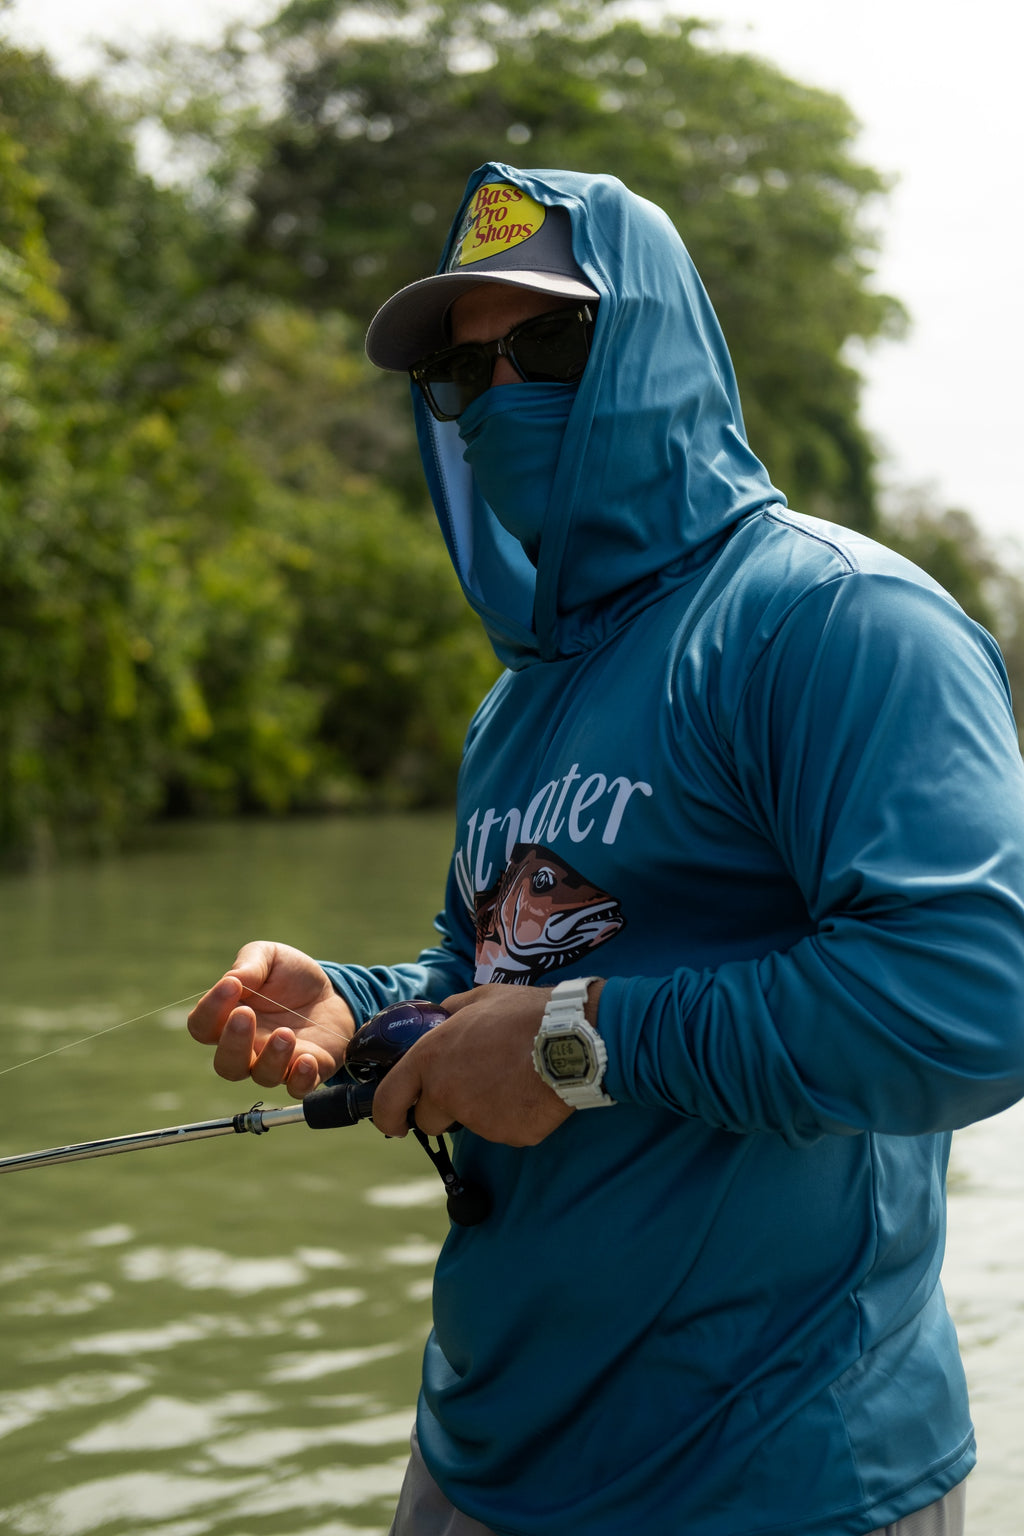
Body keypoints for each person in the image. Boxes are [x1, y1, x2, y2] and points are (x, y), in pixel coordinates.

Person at [187, 165, 1024, 1536]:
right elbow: (501, 965)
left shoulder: (840, 622)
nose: (504, 396)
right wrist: (365, 1004)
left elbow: (973, 1006)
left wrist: (576, 1049)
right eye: (466, 378)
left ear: (656, 349)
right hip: (476, 1460)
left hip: (771, 1479)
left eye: (550, 344)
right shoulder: (517, 699)